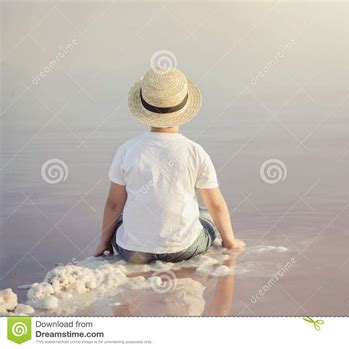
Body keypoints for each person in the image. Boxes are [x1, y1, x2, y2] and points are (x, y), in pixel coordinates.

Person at [95, 67, 245, 263]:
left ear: (144, 108)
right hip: (182, 248)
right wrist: (230, 241)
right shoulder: (195, 151)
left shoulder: (126, 150)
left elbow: (114, 204)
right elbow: (216, 204)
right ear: (184, 109)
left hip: (132, 252)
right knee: (205, 213)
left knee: (123, 216)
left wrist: (104, 243)